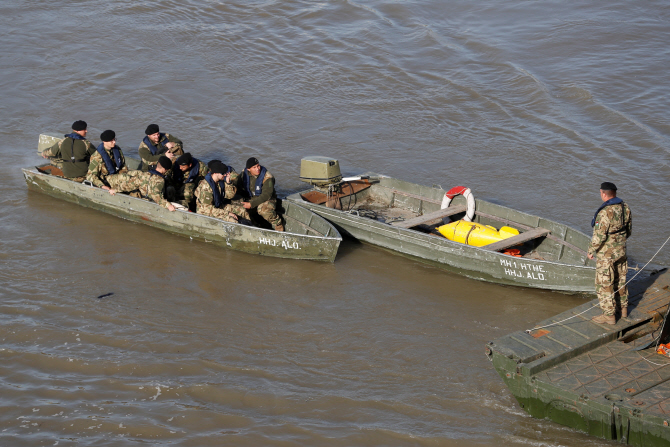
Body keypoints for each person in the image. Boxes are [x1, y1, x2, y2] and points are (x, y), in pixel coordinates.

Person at [587, 182, 632, 325]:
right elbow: (628, 230)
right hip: (621, 251)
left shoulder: (605, 212)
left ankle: (609, 316)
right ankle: (623, 309)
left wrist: (591, 250)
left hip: (607, 255)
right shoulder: (625, 208)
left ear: (603, 194)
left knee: (604, 284)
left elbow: (599, 236)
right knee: (620, 280)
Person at [105, 155, 176, 212]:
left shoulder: (144, 174)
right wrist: (168, 205)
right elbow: (156, 196)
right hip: (151, 202)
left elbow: (129, 184)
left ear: (158, 164)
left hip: (142, 197)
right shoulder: (160, 181)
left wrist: (115, 190)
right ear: (164, 169)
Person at [240, 157, 284, 231]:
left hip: (268, 199)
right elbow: (238, 185)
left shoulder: (268, 177)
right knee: (237, 207)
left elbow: (266, 195)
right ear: (248, 169)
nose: (257, 169)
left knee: (263, 210)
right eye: (254, 167)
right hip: (252, 197)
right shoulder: (244, 173)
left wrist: (251, 204)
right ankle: (254, 223)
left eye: (258, 166)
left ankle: (278, 224)